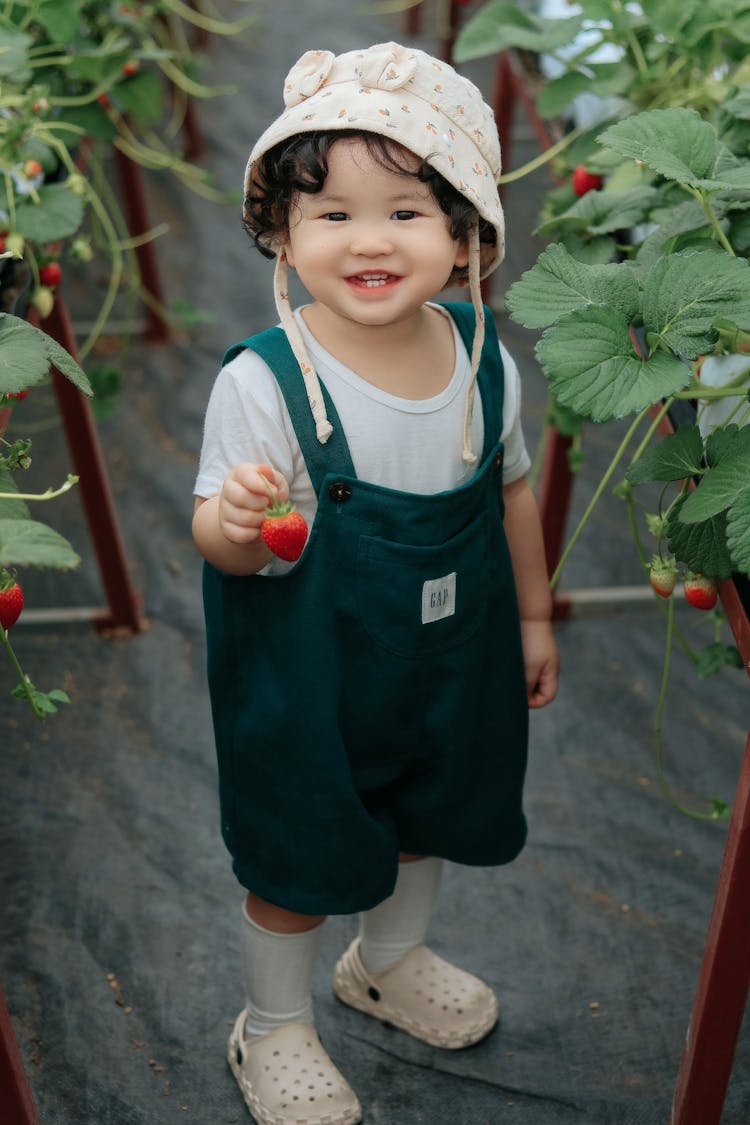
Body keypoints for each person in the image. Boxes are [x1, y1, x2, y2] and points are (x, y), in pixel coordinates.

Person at [193, 40, 559, 1125]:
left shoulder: (483, 359)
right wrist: (242, 523)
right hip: (307, 672)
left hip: (447, 659)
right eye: (332, 214)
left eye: (407, 213)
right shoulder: (267, 381)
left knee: (425, 808)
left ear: (466, 238)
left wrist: (535, 618)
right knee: (298, 843)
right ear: (282, 233)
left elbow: (511, 497)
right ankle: (273, 1027)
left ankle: (387, 961)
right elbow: (221, 543)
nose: (369, 241)